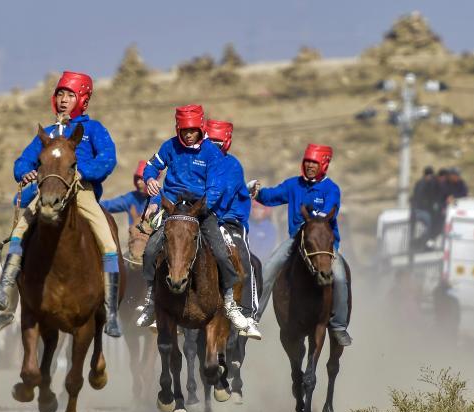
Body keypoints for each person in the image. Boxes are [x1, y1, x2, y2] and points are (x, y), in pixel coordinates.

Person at [0, 71, 123, 337]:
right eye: (60, 94)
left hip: (82, 192)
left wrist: (80, 170)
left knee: (109, 243)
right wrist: (25, 173)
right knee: (19, 231)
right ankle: (2, 292)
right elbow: (23, 161)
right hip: (48, 191)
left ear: (83, 100)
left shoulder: (93, 130)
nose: (64, 100)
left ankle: (111, 313)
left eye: (70, 95)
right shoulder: (49, 132)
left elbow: (108, 160)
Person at [136, 105, 247, 331]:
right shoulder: (169, 146)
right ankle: (150, 301)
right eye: (184, 130)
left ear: (200, 127)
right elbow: (151, 167)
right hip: (174, 210)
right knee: (150, 251)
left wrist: (202, 208)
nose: (188, 134)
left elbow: (215, 187)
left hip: (201, 211)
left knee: (222, 253)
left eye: (192, 130)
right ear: (178, 128)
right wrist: (149, 179)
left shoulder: (211, 152)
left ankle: (229, 303)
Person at [250, 144, 352, 346]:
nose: (310, 167)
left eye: (314, 163)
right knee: (269, 268)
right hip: (297, 240)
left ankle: (339, 327)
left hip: (324, 244)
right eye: (307, 162)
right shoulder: (293, 185)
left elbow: (329, 209)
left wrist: (316, 215)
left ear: (323, 164)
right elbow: (272, 196)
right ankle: (253, 317)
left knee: (340, 276)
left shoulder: (331, 189)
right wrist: (256, 192)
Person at [204, 119, 262, 340]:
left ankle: (248, 314)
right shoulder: (199, 161)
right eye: (211, 142)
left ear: (226, 143)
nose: (214, 147)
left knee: (245, 261)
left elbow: (223, 193)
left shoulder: (233, 165)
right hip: (204, 217)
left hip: (229, 221)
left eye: (218, 143)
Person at [411, 166, 441, 249]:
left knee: (429, 224)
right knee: (429, 224)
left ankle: (423, 241)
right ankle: (422, 242)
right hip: (421, 210)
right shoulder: (423, 184)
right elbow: (422, 198)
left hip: (418, 210)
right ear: (427, 176)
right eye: (430, 176)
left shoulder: (421, 183)